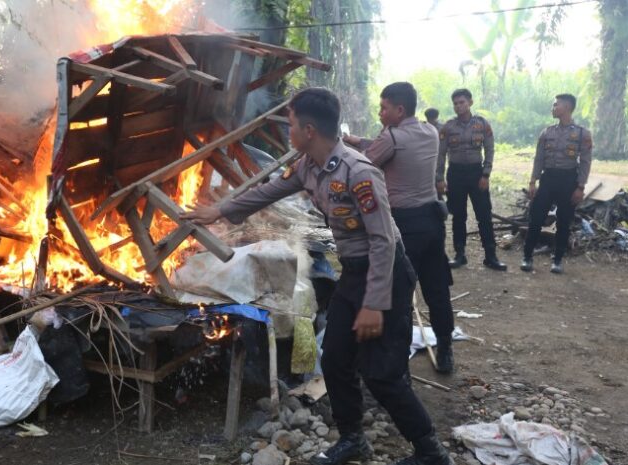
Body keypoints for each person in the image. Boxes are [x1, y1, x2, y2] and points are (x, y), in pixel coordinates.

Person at [181, 88, 453, 465]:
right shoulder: (309, 165)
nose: (287, 131)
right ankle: (353, 438)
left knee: (382, 373)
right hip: (355, 274)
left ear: (309, 130)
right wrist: (221, 211)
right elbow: (270, 190)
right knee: (337, 358)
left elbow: (383, 242)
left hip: (385, 274)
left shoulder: (359, 172)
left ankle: (430, 450)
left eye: (290, 125)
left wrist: (375, 304)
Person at [344, 83, 455, 374]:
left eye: (384, 108)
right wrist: (360, 139)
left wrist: (346, 144)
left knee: (399, 293)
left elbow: (367, 160)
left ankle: (397, 363)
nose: (380, 113)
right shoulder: (430, 131)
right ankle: (445, 348)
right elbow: (386, 145)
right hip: (432, 221)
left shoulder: (391, 137)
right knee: (437, 287)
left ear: (399, 109)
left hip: (404, 224)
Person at [436, 89, 506, 271]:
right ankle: (460, 255)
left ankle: (491, 256)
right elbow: (440, 154)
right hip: (456, 174)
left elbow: (490, 149)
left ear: (470, 103)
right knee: (458, 216)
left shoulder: (482, 124)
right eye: (456, 103)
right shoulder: (448, 127)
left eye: (462, 102)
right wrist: (440, 179)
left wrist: (486, 174)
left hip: (477, 174)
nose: (459, 106)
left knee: (484, 215)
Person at [521, 94, 592, 274]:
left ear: (567, 107)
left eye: (556, 105)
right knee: (536, 217)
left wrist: (580, 187)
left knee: (563, 221)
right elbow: (539, 159)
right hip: (548, 180)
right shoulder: (547, 132)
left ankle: (557, 259)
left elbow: (585, 162)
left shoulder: (582, 134)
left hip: (568, 181)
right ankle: (527, 256)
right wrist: (532, 181)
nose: (553, 108)